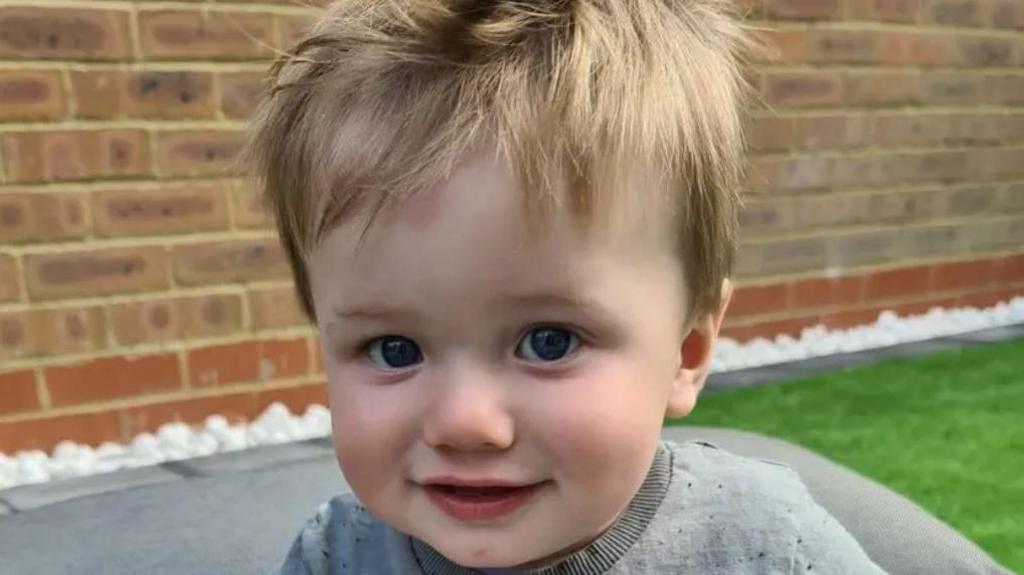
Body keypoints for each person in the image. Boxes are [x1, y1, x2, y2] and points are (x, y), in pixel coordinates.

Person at [247, 0, 888, 572]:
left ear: (687, 351)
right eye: (393, 348)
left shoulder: (760, 543)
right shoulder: (337, 556)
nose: (465, 423)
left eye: (549, 342)